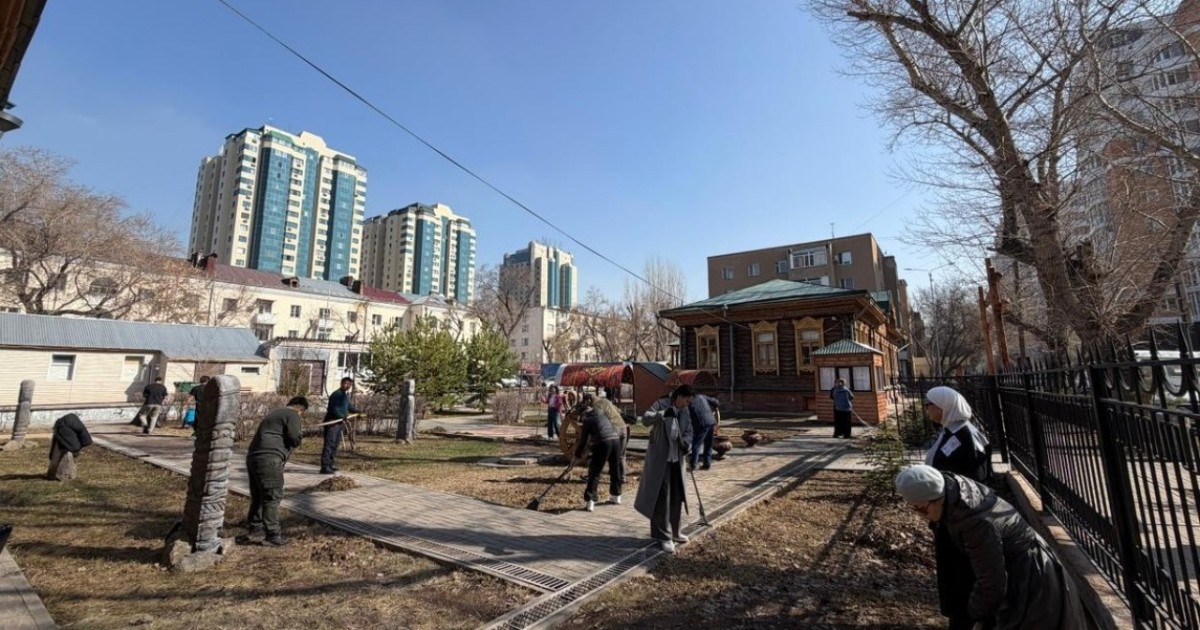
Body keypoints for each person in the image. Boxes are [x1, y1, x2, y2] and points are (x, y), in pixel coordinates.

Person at [895, 465, 1085, 630]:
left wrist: (972, 616)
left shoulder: (976, 525)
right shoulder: (952, 489)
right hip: (1016, 572)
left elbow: (992, 584)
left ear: (937, 497)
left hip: (1031, 583)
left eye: (920, 509)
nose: (920, 516)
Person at [241, 396, 308, 547]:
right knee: (272, 496)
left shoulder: (274, 413)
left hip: (253, 457)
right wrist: (300, 436)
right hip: (269, 458)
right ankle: (273, 534)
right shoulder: (292, 414)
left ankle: (255, 530)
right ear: (300, 408)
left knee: (258, 496)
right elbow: (294, 437)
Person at [635, 384, 694, 553]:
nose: (687, 404)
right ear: (679, 396)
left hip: (678, 460)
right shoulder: (661, 404)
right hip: (661, 460)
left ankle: (675, 531)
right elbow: (645, 419)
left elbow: (689, 430)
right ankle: (664, 536)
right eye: (686, 401)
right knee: (662, 499)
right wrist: (662, 414)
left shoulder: (685, 411)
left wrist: (687, 444)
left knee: (677, 496)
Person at [924, 386, 992, 483]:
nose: (926, 409)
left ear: (943, 405)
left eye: (927, 405)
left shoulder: (964, 435)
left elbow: (975, 476)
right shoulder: (950, 429)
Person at [573, 394, 623, 511]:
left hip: (604, 443)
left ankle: (590, 501)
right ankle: (617, 496)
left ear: (584, 414)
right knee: (615, 468)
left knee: (595, 472)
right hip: (616, 441)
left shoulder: (588, 420)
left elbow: (583, 441)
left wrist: (578, 454)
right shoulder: (603, 416)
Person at [592, 391, 630, 487]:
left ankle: (596, 476)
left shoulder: (597, 406)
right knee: (621, 455)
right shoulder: (607, 402)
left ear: (590, 401)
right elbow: (619, 412)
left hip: (615, 429)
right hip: (623, 428)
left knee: (609, 455)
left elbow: (598, 419)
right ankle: (622, 477)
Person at [321, 377, 358, 474]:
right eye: (346, 384)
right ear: (341, 383)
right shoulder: (336, 394)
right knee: (329, 444)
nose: (347, 386)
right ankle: (324, 467)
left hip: (339, 423)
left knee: (335, 444)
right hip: (332, 422)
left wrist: (358, 411)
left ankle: (330, 464)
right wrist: (342, 416)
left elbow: (348, 407)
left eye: (349, 384)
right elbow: (334, 409)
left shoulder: (345, 395)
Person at [47, 413, 93, 478]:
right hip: (62, 427)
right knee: (69, 449)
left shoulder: (77, 427)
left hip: (62, 426)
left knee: (59, 450)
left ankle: (52, 473)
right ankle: (55, 474)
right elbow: (75, 447)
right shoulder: (78, 432)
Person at [687, 393, 719, 471]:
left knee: (696, 444)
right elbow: (715, 402)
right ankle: (707, 463)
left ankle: (693, 464)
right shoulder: (701, 396)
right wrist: (714, 406)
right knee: (708, 444)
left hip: (701, 425)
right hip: (710, 422)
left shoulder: (688, 402)